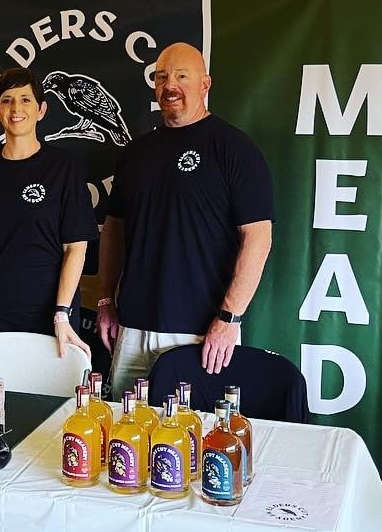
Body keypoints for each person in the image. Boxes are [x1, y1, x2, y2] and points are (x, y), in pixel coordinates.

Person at [96, 42, 273, 391]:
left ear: (205, 85)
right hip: (134, 329)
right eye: (161, 77)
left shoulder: (234, 150)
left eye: (181, 76)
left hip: (202, 335)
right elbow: (114, 230)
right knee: (129, 435)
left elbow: (258, 237)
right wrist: (105, 301)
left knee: (195, 439)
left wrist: (229, 317)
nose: (169, 85)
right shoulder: (137, 153)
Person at [0, 67, 97, 357]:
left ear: (41, 110)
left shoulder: (64, 167)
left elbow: (76, 247)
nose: (16, 108)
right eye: (7, 100)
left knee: (50, 401)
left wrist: (61, 313)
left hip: (49, 316)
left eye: (26, 100)